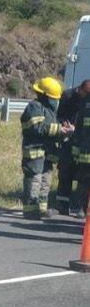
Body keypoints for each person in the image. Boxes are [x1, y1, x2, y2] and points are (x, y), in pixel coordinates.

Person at [20, 77, 73, 220]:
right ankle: (30, 210)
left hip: (47, 154)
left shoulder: (50, 111)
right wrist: (59, 130)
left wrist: (65, 132)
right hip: (35, 152)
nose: (56, 101)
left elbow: (53, 130)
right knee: (34, 181)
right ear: (44, 95)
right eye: (53, 98)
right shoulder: (34, 107)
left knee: (45, 182)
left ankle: (41, 209)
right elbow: (37, 128)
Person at [55, 80, 90, 216]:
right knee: (65, 172)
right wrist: (63, 124)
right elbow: (60, 115)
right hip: (71, 141)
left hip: (81, 143)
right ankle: (62, 205)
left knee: (83, 179)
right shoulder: (68, 96)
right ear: (80, 90)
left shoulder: (86, 101)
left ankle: (82, 208)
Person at [71, 82, 90, 218]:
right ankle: (82, 209)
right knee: (83, 183)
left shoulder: (85, 102)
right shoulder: (85, 103)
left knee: (83, 183)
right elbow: (79, 128)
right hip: (85, 152)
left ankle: (83, 210)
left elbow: (78, 129)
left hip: (84, 151)